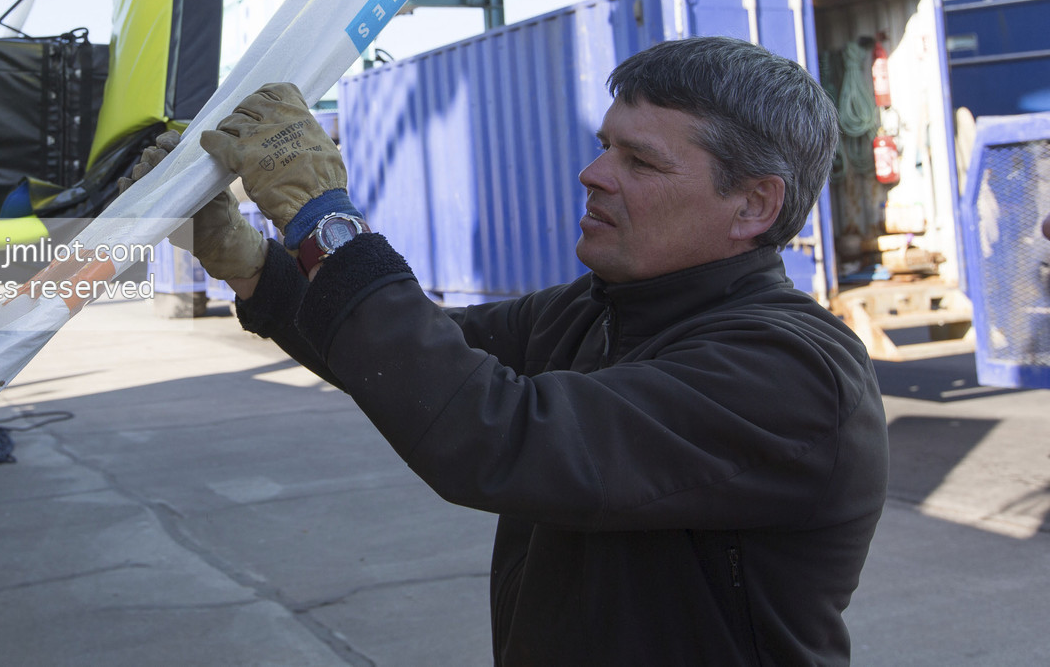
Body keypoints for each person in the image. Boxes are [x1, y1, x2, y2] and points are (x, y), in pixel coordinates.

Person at [126, 36, 889, 666]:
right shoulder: (596, 312)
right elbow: (411, 362)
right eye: (604, 149)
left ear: (754, 204)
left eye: (642, 162)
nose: (593, 175)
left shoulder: (792, 370)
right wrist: (244, 258)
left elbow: (496, 434)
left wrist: (329, 224)